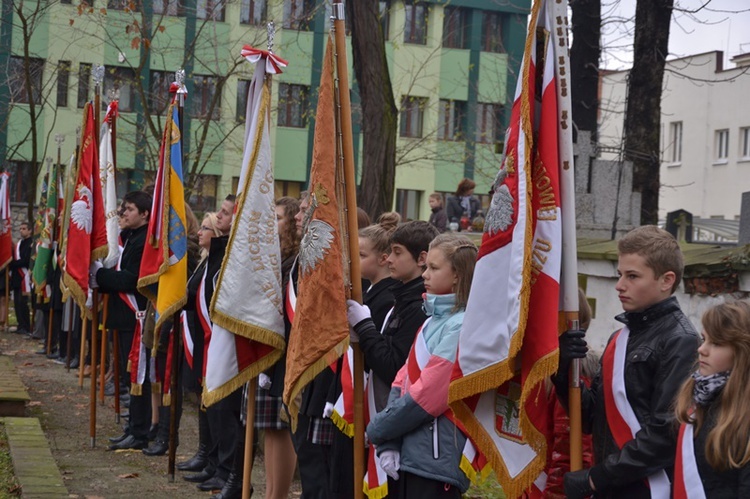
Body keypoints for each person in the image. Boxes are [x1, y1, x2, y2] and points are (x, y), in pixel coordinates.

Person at [557, 225, 700, 498]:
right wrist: (563, 369)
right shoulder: (619, 338)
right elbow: (591, 419)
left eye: (633, 276)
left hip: (648, 487)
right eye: (620, 274)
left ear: (666, 280)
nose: (620, 285)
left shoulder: (681, 340)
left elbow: (664, 435)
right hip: (612, 484)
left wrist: (596, 478)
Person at [366, 233, 478, 498]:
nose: (425, 274)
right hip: (409, 451)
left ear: (457, 276)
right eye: (426, 266)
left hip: (435, 460)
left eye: (434, 268)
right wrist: (390, 442)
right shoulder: (430, 320)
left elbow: (428, 396)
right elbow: (400, 382)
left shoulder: (462, 326)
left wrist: (378, 429)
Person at [328, 213, 400, 498]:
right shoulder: (367, 292)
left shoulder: (386, 298)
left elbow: (376, 354)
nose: (353, 262)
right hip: (350, 395)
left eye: (360, 255)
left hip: (370, 400)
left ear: (384, 259)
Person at [92, 190, 152, 451]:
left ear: (145, 214)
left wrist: (100, 275)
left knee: (137, 377)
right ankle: (132, 426)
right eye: (122, 208)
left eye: (128, 209)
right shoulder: (128, 237)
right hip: (122, 316)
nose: (122, 213)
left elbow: (132, 279)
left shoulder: (144, 242)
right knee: (128, 378)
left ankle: (139, 432)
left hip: (135, 318)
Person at [673, 300, 750, 497]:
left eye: (716, 343)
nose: (702, 349)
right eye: (703, 339)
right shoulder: (700, 399)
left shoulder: (742, 415)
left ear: (742, 353)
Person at [252, 196, 301, 499]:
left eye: (279, 217)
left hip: (287, 349)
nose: (273, 222)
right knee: (269, 426)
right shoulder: (276, 257)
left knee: (282, 426)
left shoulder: (295, 259)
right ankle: (271, 490)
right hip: (271, 348)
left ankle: (278, 494)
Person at [142, 203, 200, 457]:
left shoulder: (187, 251)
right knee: (162, 381)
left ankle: (168, 436)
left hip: (178, 325)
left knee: (171, 383)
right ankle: (162, 432)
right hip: (161, 320)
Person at [177, 213, 222, 474]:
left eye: (206, 228)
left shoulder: (216, 263)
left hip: (208, 338)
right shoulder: (203, 263)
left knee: (211, 401)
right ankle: (204, 451)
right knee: (201, 399)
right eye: (201, 227)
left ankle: (213, 457)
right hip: (196, 335)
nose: (200, 232)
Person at [9, 222, 32, 335]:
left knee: (23, 303)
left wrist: (13, 264)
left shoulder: (31, 244)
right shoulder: (19, 244)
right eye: (20, 228)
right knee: (17, 303)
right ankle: (20, 325)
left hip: (25, 277)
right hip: (17, 277)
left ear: (29, 230)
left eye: (24, 228)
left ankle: (26, 326)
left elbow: (26, 260)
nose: (21, 230)